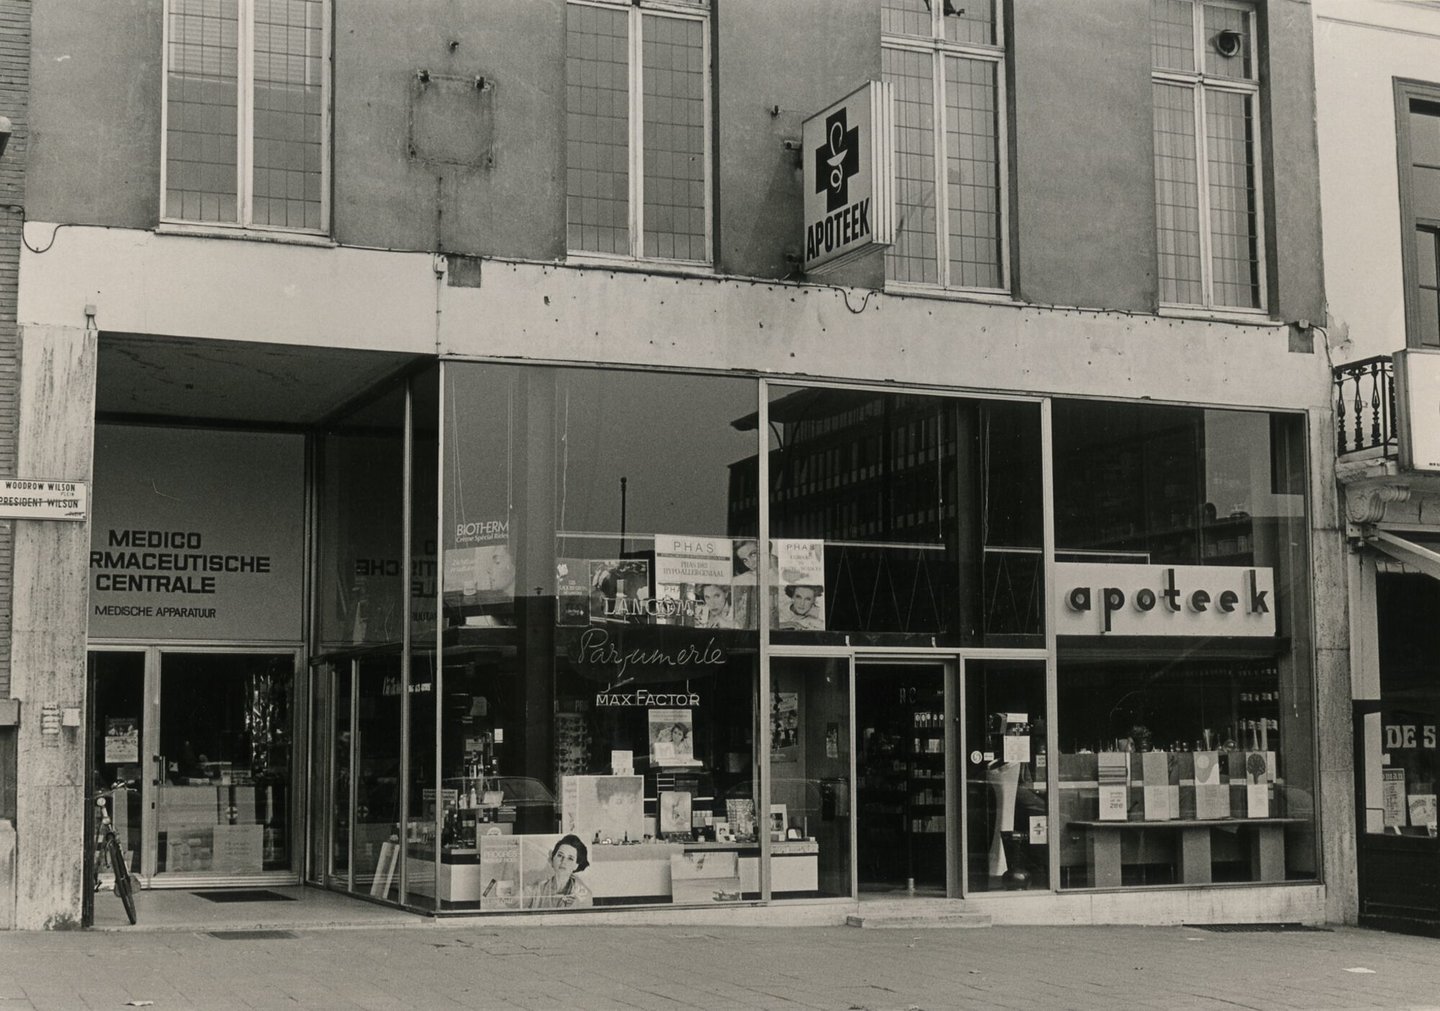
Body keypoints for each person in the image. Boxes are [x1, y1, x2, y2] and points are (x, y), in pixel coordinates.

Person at [526, 834, 593, 909]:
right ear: (553, 858)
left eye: (570, 858)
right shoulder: (536, 890)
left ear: (576, 865)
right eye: (560, 855)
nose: (563, 861)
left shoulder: (584, 895)